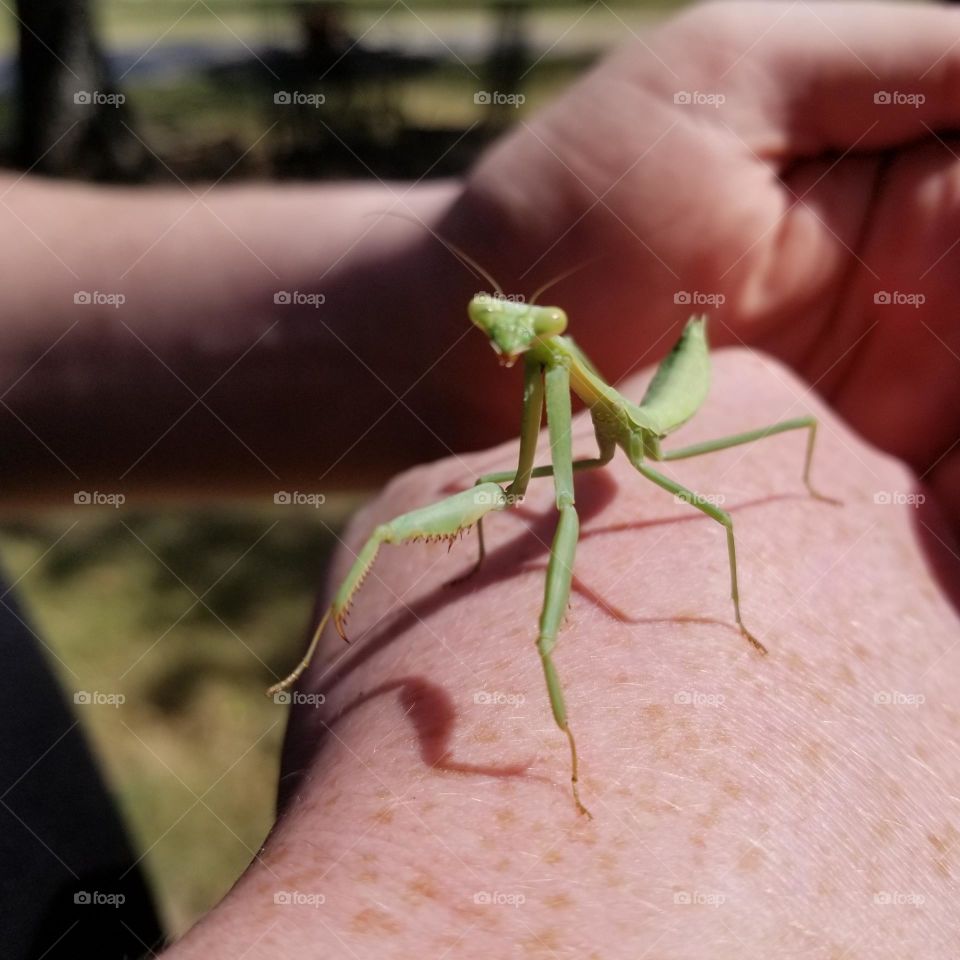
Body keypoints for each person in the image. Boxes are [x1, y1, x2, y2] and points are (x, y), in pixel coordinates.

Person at [2, 2, 958, 956]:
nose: (503, 341)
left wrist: (743, 625)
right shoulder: (549, 368)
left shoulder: (607, 387)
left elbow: (648, 504)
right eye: (490, 327)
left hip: (668, 415)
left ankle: (571, 754)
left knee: (702, 518)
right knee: (406, 534)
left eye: (514, 329)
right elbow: (527, 479)